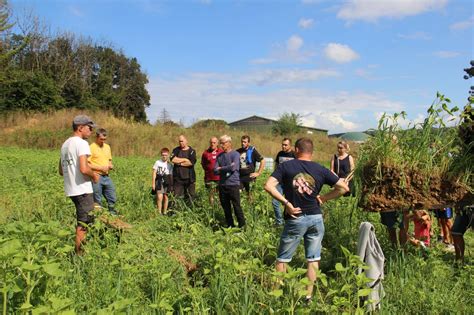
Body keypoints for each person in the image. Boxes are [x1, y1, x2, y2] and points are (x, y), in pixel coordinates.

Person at [264, 137, 349, 304]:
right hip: (316, 219)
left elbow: (268, 185)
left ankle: (276, 296)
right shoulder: (321, 169)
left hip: (295, 217)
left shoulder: (286, 166)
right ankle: (307, 297)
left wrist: (286, 203)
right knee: (313, 258)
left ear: (296, 150)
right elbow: (344, 188)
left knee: (283, 258)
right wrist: (324, 198)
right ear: (312, 152)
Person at [59, 115, 99, 255]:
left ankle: (83, 251)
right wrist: (94, 175)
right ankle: (79, 256)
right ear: (80, 128)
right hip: (82, 189)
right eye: (89, 127)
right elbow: (83, 168)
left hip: (71, 189)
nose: (91, 130)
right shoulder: (81, 144)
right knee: (84, 224)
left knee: (86, 220)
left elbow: (61, 170)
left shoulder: (65, 144)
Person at [214, 135, 245, 228]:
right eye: (221, 143)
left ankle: (242, 226)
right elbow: (215, 170)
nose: (221, 145)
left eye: (223, 143)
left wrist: (221, 168)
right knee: (226, 208)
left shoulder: (235, 154)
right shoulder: (219, 156)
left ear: (229, 143)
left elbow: (233, 167)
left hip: (233, 185)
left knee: (236, 207)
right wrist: (226, 168)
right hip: (223, 185)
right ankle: (230, 226)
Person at [88, 128, 117, 215]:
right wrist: (100, 168)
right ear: (96, 137)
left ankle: (113, 215)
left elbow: (109, 160)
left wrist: (110, 165)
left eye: (104, 139)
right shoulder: (91, 147)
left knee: (112, 197)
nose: (103, 141)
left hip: (106, 176)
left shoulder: (107, 147)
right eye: (101, 139)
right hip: (96, 176)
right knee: (97, 199)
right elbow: (87, 164)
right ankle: (99, 218)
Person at [271, 138, 296, 226]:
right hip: (280, 183)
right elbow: (276, 166)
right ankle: (279, 222)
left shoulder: (294, 155)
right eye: (282, 144)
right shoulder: (280, 154)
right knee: (275, 202)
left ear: (290, 145)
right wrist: (274, 177)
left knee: (291, 203)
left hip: (291, 184)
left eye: (285, 145)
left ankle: (291, 221)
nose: (283, 146)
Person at [170, 135, 197, 206]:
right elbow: (172, 159)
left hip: (189, 179)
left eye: (182, 141)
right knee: (176, 197)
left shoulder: (192, 151)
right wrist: (185, 160)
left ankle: (191, 211)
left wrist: (179, 163)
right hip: (178, 179)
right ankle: (176, 211)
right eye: (179, 141)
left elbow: (191, 163)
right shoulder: (176, 150)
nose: (180, 143)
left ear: (186, 141)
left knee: (191, 196)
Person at [237, 135, 265, 200]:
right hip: (240, 177)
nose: (243, 143)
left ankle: (250, 209)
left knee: (250, 196)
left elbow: (263, 161)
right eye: (242, 142)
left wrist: (258, 173)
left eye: (245, 142)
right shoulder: (238, 151)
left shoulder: (252, 151)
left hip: (250, 177)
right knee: (238, 194)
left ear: (248, 143)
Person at [201, 137, 223, 205]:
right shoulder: (205, 153)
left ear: (217, 143)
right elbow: (203, 164)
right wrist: (209, 170)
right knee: (211, 194)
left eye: (214, 143)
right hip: (209, 178)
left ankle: (219, 208)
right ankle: (212, 208)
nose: (212, 144)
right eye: (211, 143)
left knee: (220, 195)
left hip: (220, 177)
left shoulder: (221, 152)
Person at [152, 148, 173, 215]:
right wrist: (153, 184)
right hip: (159, 181)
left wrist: (171, 184)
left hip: (167, 181)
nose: (164, 156)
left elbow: (171, 175)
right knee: (159, 197)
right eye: (163, 155)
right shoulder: (157, 162)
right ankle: (159, 212)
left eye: (166, 155)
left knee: (166, 197)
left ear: (168, 155)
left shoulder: (170, 165)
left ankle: (165, 212)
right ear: (161, 155)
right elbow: (154, 173)